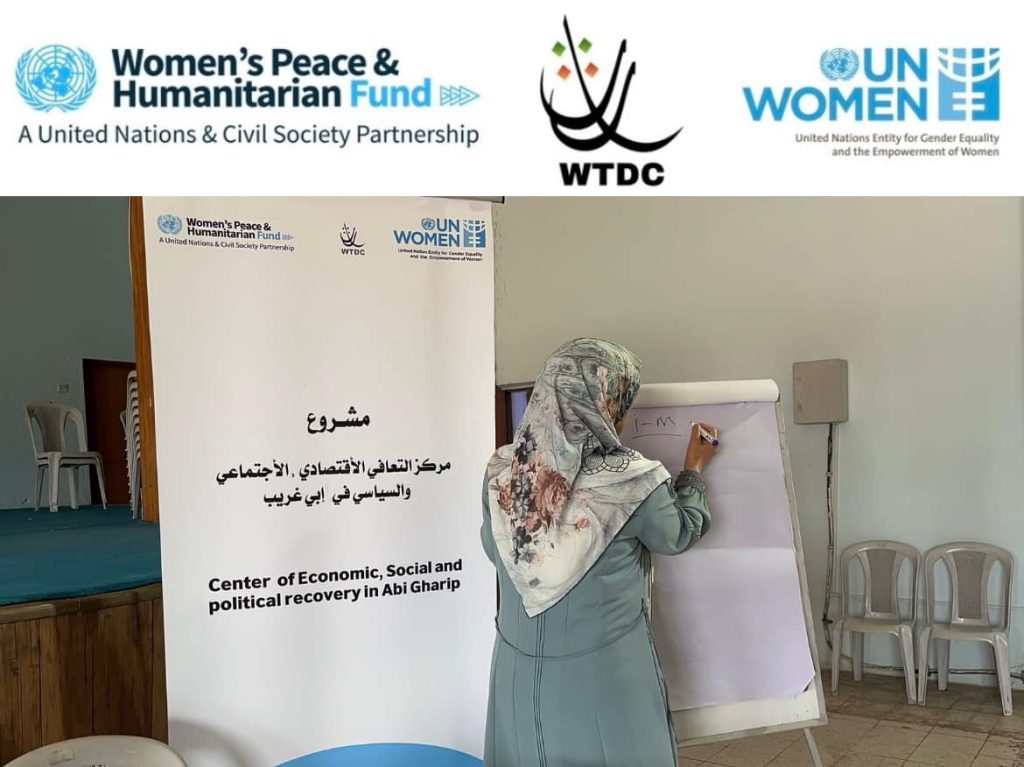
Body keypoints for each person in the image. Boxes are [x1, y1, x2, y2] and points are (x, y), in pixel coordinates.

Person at [480, 338, 718, 767]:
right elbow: (678, 533)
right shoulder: (631, 480)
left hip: (518, 671)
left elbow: (492, 548)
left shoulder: (503, 474)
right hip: (604, 673)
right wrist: (693, 471)